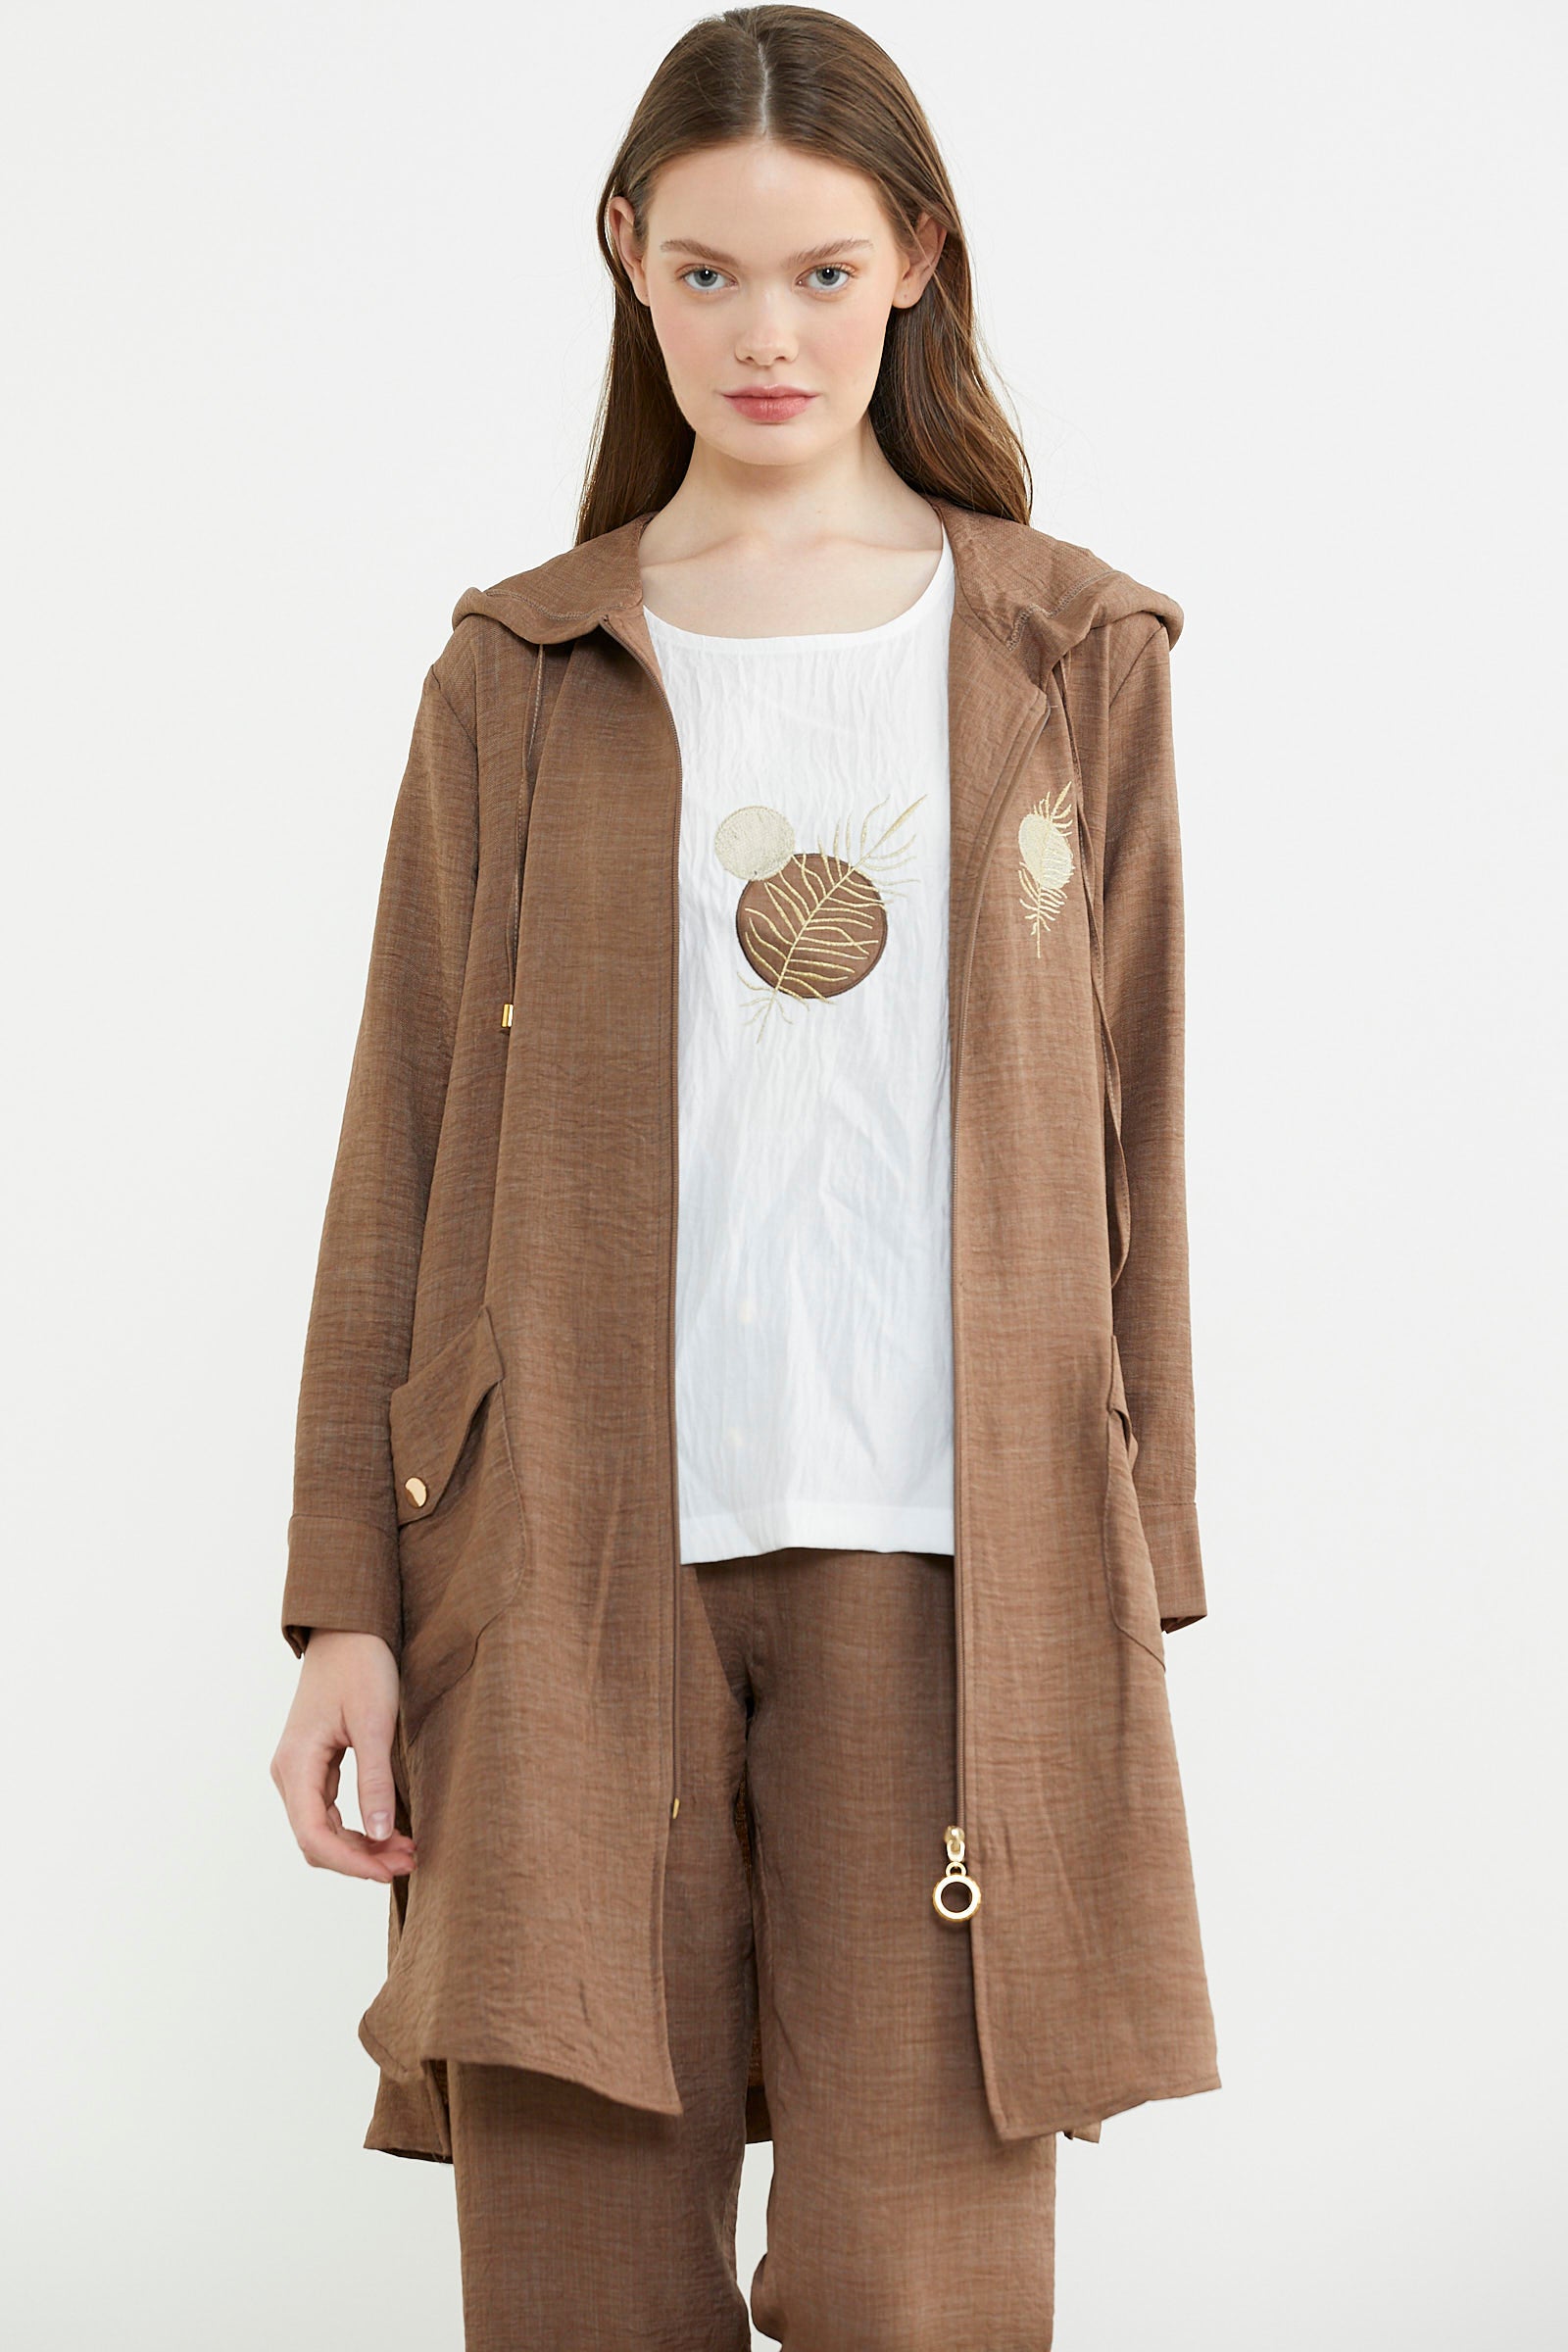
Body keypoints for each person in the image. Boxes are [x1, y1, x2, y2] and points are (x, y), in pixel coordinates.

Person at [269, 7, 1220, 2344]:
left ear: (915, 261)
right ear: (627, 257)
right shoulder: (520, 667)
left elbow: (1137, 1133)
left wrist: (1137, 1552)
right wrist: (342, 1605)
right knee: (579, 2282)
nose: (761, 333)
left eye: (817, 272)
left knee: (924, 2284)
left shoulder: (1062, 648)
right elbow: (399, 1137)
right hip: (561, 1577)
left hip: (950, 1571)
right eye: (703, 274)